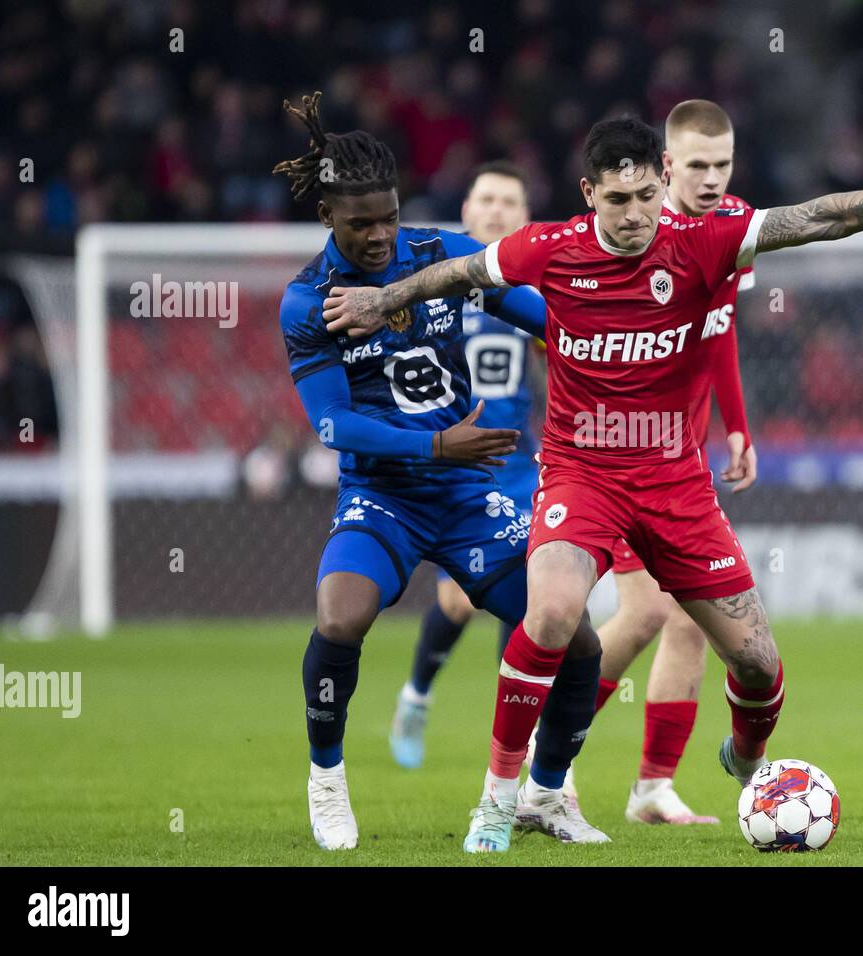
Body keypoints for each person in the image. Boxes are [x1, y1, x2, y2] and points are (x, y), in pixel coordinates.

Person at [322, 116, 863, 854]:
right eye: (615, 200)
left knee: (756, 662)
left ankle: (745, 760)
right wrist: (380, 299)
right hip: (580, 473)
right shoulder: (549, 249)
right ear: (589, 193)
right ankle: (501, 800)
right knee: (553, 613)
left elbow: (820, 217)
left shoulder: (704, 239)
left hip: (676, 483)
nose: (632, 215)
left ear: (662, 183)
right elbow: (460, 271)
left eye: (646, 195)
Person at [273, 93, 605, 851]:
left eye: (388, 216)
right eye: (362, 224)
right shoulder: (307, 303)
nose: (381, 235)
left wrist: (605, 336)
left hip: (468, 493)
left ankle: (547, 795)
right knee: (340, 617)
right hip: (385, 492)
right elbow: (331, 425)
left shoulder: (438, 256)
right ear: (328, 215)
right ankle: (327, 781)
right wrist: (432, 448)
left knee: (574, 638)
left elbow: (541, 316)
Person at [589, 99, 758, 827]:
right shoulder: (637, 228)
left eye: (722, 164)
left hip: (682, 456)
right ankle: (542, 757)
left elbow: (720, 329)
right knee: (648, 612)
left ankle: (652, 790)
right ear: (667, 165)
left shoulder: (732, 228)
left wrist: (737, 428)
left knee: (690, 620)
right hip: (622, 453)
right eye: (697, 166)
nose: (713, 179)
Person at [389, 161, 546, 770]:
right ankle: (417, 695)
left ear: (526, 217)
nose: (498, 209)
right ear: (467, 211)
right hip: (457, 466)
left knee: (529, 595)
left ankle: (517, 730)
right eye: (487, 198)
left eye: (511, 200)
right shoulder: (435, 282)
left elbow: (564, 353)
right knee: (458, 603)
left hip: (519, 464)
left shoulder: (532, 292)